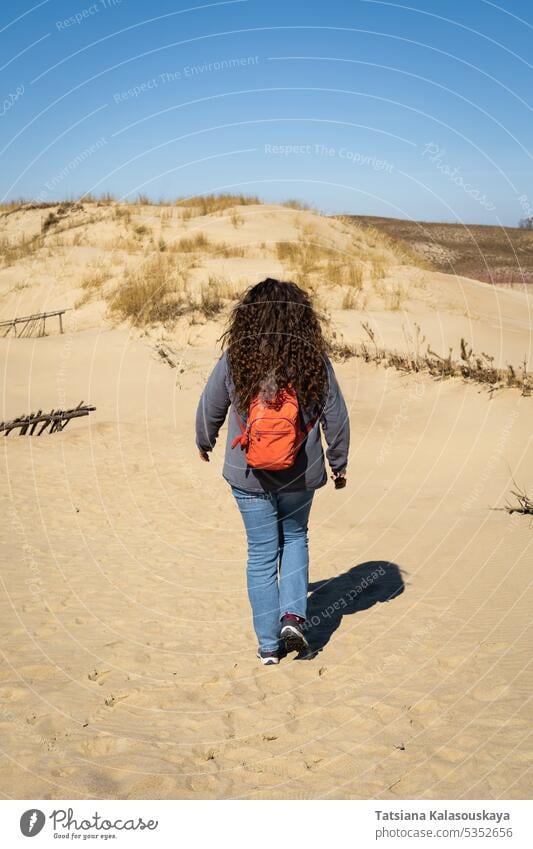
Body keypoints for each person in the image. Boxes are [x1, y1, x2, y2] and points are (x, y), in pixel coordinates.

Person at [195, 278, 350, 665]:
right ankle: (294, 617)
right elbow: (338, 418)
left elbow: (209, 406)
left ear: (248, 318)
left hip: (248, 475)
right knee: (295, 538)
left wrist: (205, 441)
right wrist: (339, 463)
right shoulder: (314, 361)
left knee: (262, 553)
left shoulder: (236, 358)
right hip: (300, 473)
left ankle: (267, 646)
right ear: (302, 319)